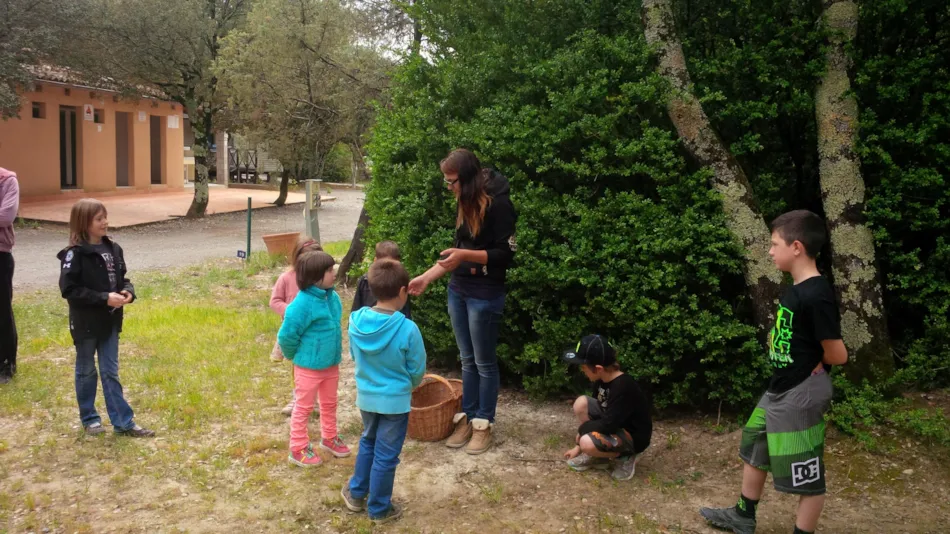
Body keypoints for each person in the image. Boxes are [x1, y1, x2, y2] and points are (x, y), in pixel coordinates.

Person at [699, 210, 848, 534]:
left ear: (796, 247)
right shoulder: (796, 288)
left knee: (806, 474)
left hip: (802, 391)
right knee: (755, 442)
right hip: (780, 386)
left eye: (774, 244)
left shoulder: (817, 295)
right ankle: (743, 515)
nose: (770, 251)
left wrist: (815, 363)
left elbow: (838, 354)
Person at [408, 148, 517, 455]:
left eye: (452, 181)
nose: (448, 187)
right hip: (459, 289)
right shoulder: (465, 199)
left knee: (484, 362)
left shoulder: (500, 205)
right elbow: (456, 253)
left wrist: (464, 255)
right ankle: (467, 418)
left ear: (467, 179)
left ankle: (484, 424)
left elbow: (505, 255)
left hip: (486, 293)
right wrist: (426, 277)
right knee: (467, 360)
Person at [57, 199, 155, 437]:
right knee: (86, 370)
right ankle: (90, 419)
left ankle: (123, 422)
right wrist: (104, 298)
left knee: (110, 370)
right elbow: (69, 290)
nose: (105, 222)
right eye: (99, 219)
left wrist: (128, 292)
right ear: (84, 222)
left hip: (110, 321)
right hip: (86, 323)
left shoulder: (114, 249)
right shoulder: (74, 254)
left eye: (105, 217)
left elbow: (123, 279)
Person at [341, 259, 426, 524]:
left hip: (366, 398)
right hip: (395, 403)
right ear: (402, 291)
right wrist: (408, 386)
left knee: (368, 441)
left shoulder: (355, 321)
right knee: (386, 455)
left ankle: (356, 494)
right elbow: (417, 369)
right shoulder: (408, 328)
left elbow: (354, 355)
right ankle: (379, 509)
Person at [278, 250, 350, 466]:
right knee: (304, 407)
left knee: (329, 403)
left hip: (330, 364)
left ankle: (329, 437)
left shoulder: (332, 297)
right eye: (329, 270)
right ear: (314, 276)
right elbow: (286, 336)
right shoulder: (301, 304)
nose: (334, 273)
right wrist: (296, 356)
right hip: (308, 368)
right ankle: (298, 447)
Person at [562, 335, 652, 481]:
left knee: (586, 442)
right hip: (614, 424)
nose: (582, 371)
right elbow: (600, 414)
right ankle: (599, 456)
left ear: (598, 369)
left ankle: (626, 456)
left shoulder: (623, 387)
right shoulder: (601, 379)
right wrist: (578, 447)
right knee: (581, 403)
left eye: (583, 367)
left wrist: (583, 432)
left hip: (632, 436)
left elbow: (608, 425)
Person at [270, 238, 325, 416]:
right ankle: (298, 398)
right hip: (294, 331)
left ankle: (315, 399)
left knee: (316, 364)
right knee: (298, 366)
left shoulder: (320, 280)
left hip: (314, 332)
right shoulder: (286, 278)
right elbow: (275, 301)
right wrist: (292, 311)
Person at [352, 241, 412, 319]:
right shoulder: (365, 281)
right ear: (375, 261)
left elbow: (406, 313)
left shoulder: (401, 282)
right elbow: (356, 307)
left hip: (395, 324)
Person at [0, 167, 19, 384]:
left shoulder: (7, 181)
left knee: (2, 310)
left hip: (1, 254)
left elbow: (6, 217)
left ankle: (6, 363)